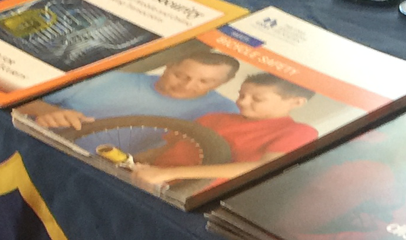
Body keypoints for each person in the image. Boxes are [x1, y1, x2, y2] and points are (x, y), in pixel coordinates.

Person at [128, 73, 322, 190]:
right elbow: (166, 148)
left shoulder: (299, 132)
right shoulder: (214, 117)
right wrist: (130, 160)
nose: (243, 102)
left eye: (258, 99)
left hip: (190, 193)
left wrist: (166, 174)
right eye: (241, 94)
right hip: (148, 178)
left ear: (296, 102)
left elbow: (263, 167)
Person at [27, 47, 241, 128]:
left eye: (204, 82)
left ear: (223, 83)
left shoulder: (228, 112)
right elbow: (20, 100)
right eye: (180, 75)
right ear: (169, 66)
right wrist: (49, 112)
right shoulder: (106, 78)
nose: (188, 86)